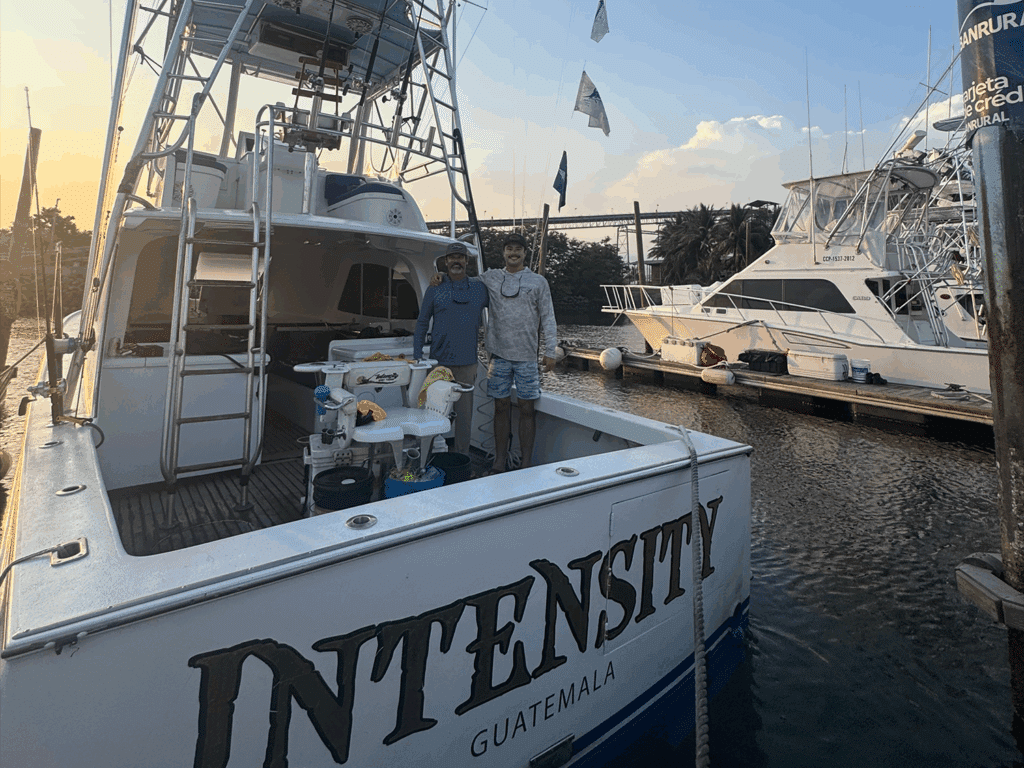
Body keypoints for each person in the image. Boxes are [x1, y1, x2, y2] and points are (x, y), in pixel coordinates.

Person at [480, 232, 557, 473]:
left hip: (527, 359)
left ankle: (526, 463)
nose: (513, 254)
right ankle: (500, 460)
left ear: (525, 253)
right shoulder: (490, 278)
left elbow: (548, 317)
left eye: (518, 250)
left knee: (527, 409)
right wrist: (439, 279)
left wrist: (550, 350)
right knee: (500, 407)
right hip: (498, 356)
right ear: (503, 253)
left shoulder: (538, 282)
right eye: (509, 249)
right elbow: (463, 283)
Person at [413, 241, 489, 455]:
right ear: (445, 262)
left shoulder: (479, 288)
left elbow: (503, 307)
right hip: (439, 364)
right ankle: (426, 458)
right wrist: (417, 355)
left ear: (466, 261)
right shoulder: (435, 288)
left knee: (465, 418)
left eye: (460, 257)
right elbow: (422, 322)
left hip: (468, 364)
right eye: (452, 258)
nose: (456, 261)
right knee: (434, 414)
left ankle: (462, 461)